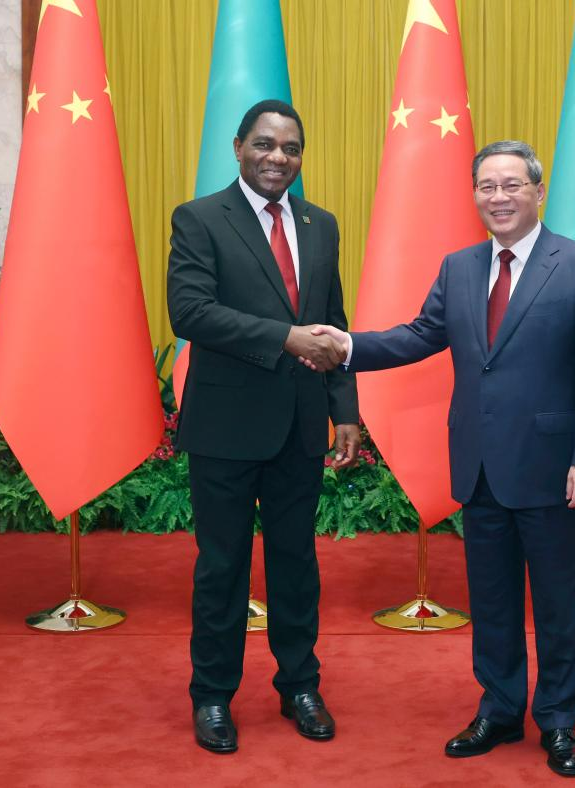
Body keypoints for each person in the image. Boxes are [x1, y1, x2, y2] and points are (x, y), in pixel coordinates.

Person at [310, 140, 575, 778]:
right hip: (479, 466)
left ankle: (558, 720)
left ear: (538, 192)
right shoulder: (459, 266)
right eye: (487, 186)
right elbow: (420, 335)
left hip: (553, 468)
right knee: (495, 600)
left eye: (511, 185)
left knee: (559, 605)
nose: (498, 197)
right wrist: (347, 347)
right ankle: (501, 709)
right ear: (475, 195)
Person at [167, 99, 360, 754]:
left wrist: (345, 409)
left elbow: (332, 324)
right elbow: (190, 312)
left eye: (290, 148)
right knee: (221, 568)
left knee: (295, 564)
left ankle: (299, 684)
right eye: (265, 144)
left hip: (301, 426)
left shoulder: (321, 225)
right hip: (225, 424)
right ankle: (213, 695)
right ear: (238, 146)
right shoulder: (199, 219)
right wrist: (284, 338)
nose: (278, 157)